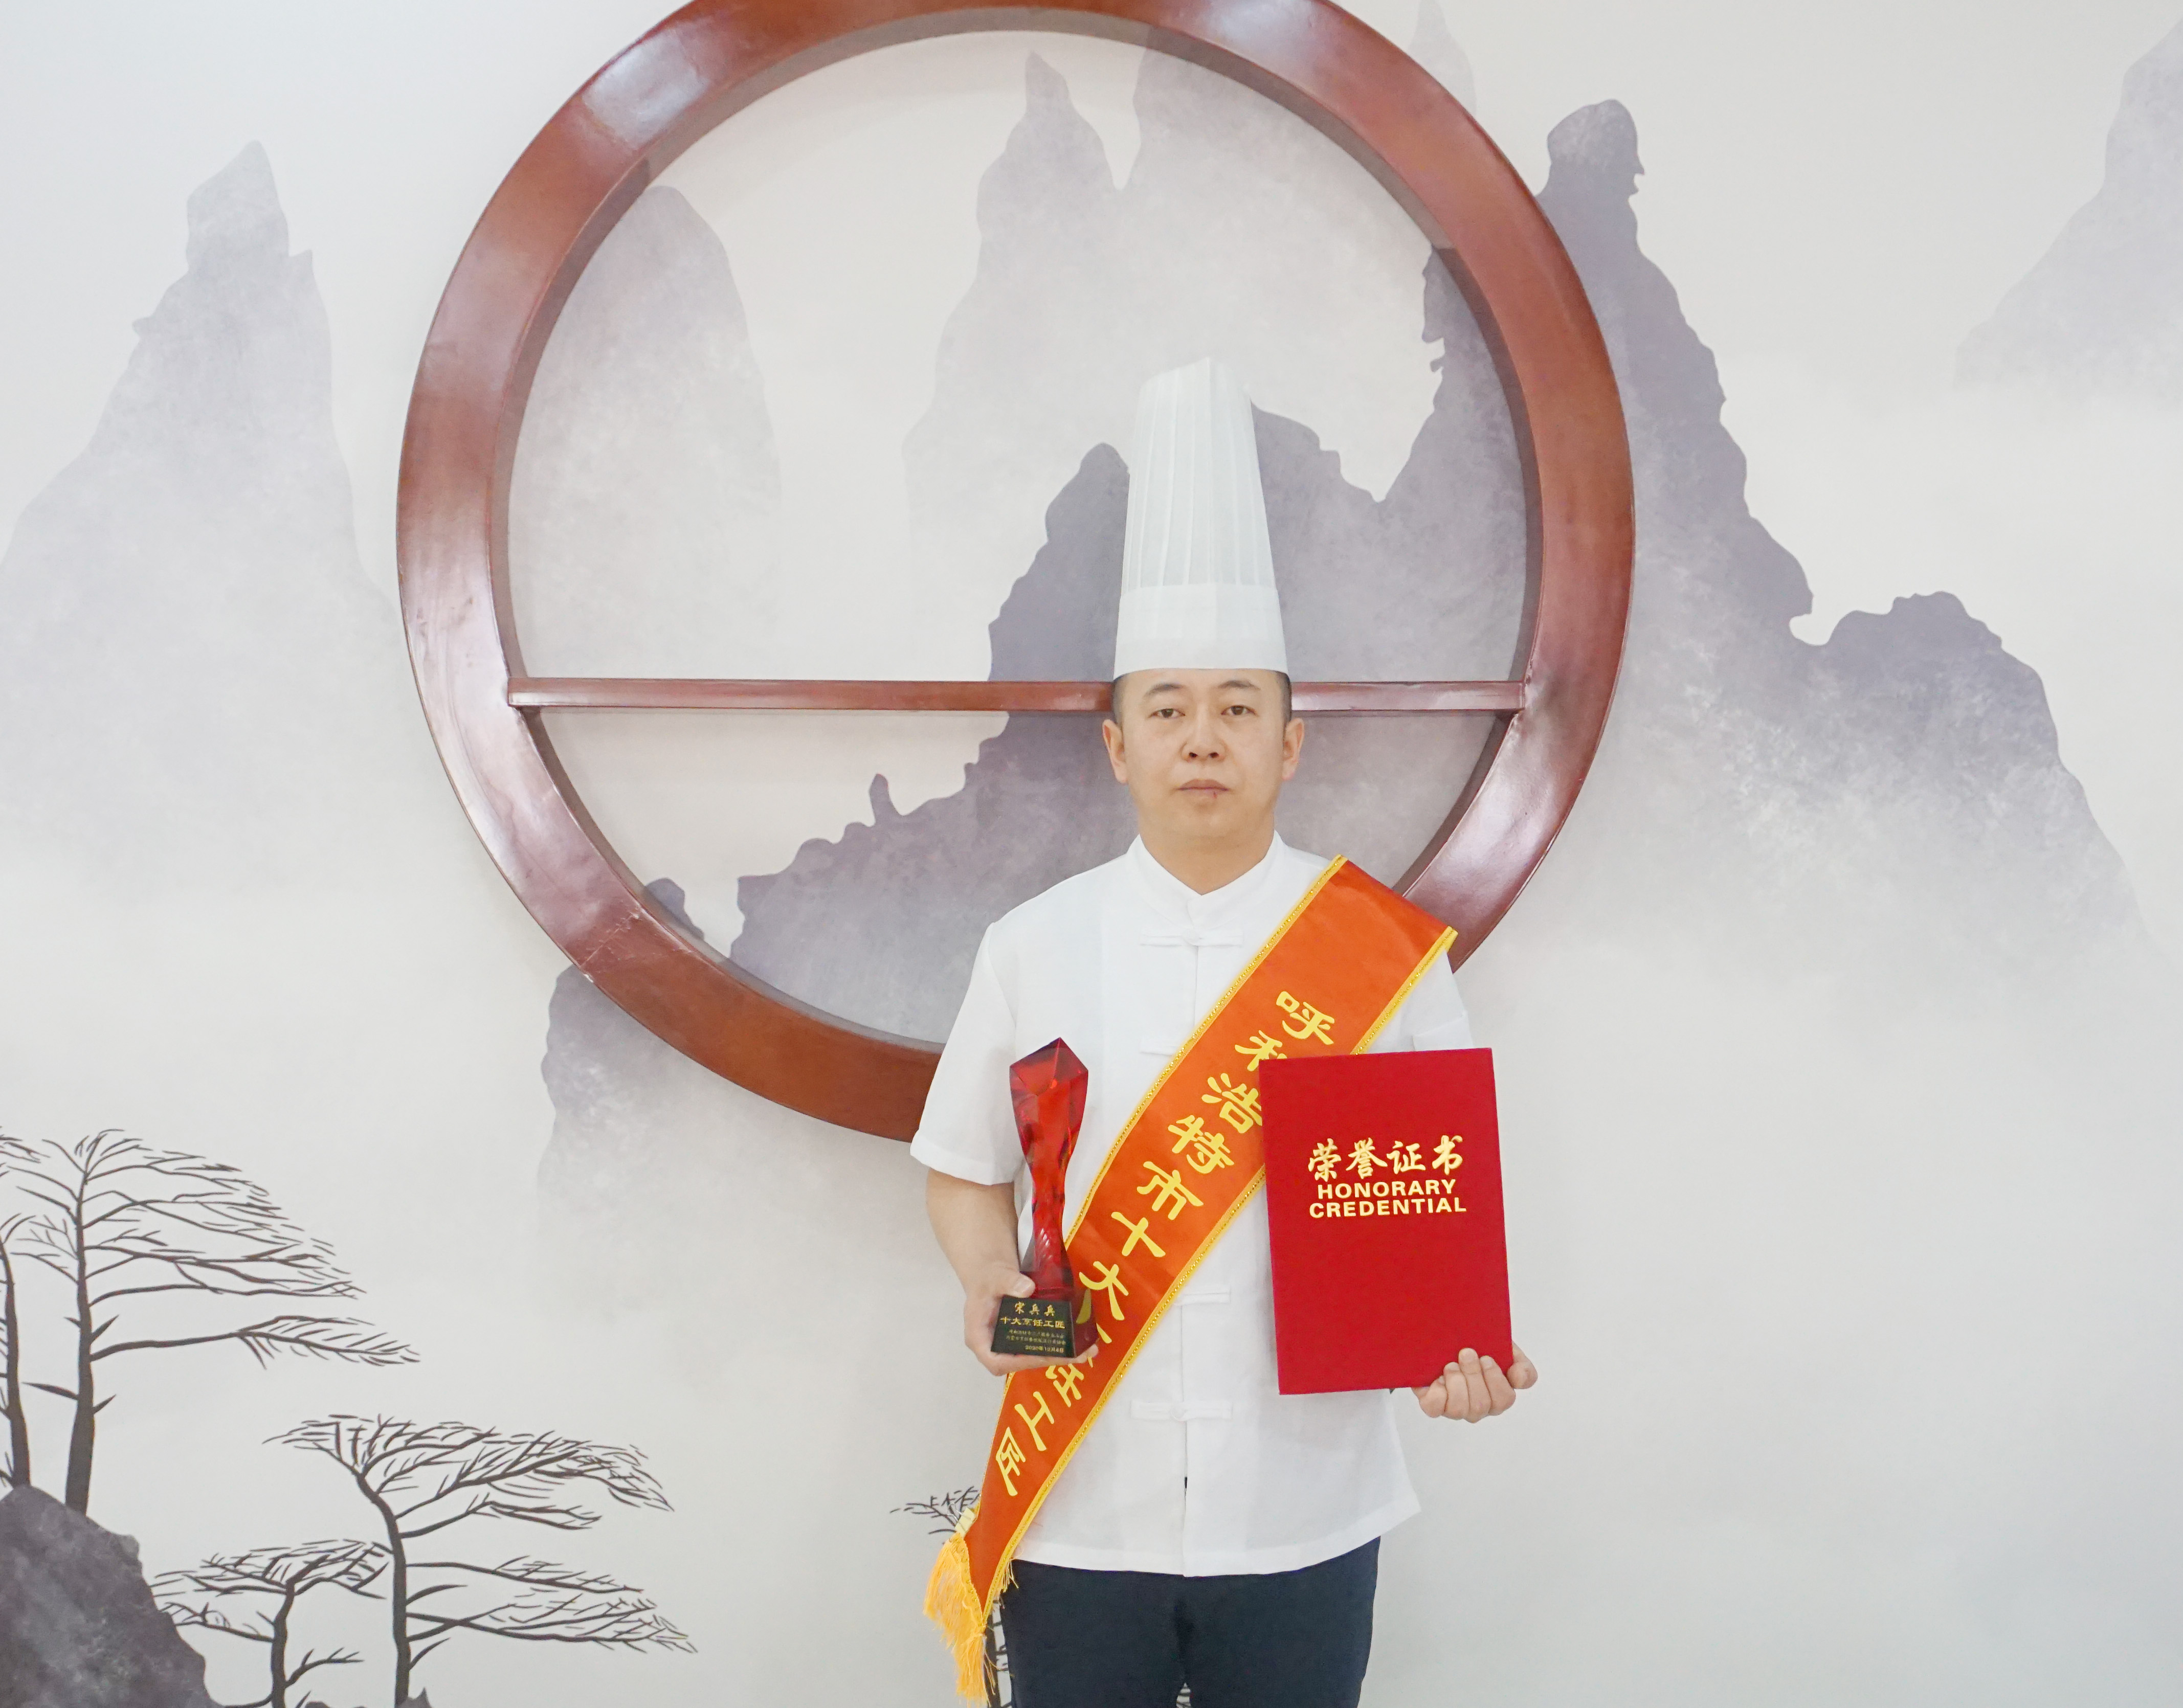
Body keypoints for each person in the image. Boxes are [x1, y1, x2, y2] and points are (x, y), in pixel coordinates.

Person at [912, 358, 1536, 1708]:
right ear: (1118, 747)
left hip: (1304, 1507)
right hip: (1082, 1500)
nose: (1205, 738)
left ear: (1289, 744)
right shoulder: (1031, 943)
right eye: (1169, 709)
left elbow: (1434, 1201)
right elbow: (963, 1165)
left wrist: (1455, 1346)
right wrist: (986, 1281)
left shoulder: (1380, 957)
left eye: (1239, 708)